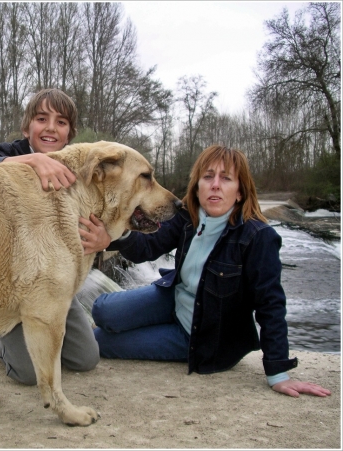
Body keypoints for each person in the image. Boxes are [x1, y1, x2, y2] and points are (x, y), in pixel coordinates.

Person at [91, 145, 331, 398]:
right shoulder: (188, 218)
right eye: (208, 176)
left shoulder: (258, 238)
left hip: (200, 335)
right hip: (173, 299)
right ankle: (144, 323)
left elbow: (270, 305)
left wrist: (278, 372)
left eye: (226, 178)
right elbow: (147, 248)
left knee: (99, 342)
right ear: (197, 186)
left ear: (240, 192)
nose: (215, 184)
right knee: (102, 310)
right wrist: (110, 237)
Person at [0, 88, 110, 385]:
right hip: (9, 290)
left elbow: (104, 213)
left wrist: (106, 241)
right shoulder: (13, 153)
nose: (50, 128)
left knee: (86, 360)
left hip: (54, 286)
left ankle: (49, 332)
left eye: (61, 122)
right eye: (41, 118)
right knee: (28, 375)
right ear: (27, 127)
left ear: (70, 133)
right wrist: (32, 162)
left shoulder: (81, 167)